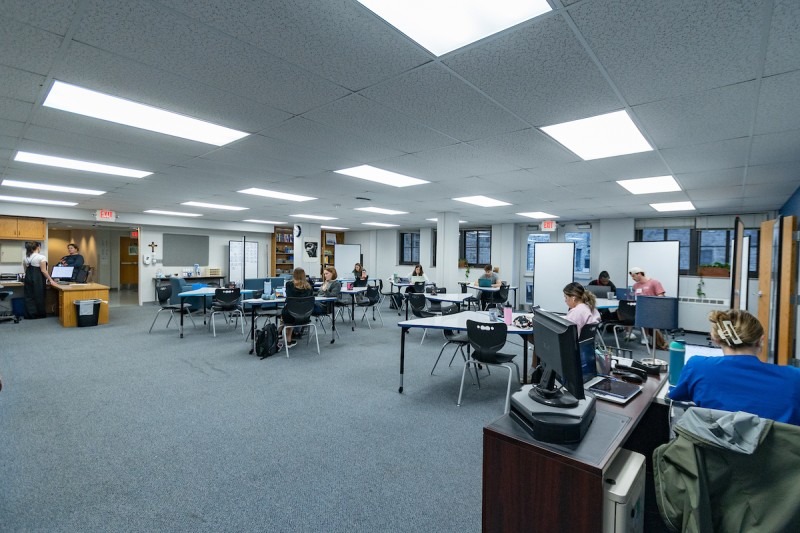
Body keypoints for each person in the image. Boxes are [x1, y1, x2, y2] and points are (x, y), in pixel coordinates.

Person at [669, 309, 800, 425]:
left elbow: (675, 395)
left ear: (715, 338)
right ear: (761, 340)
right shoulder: (794, 378)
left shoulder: (697, 366)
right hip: (775, 452)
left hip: (713, 450)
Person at [627, 266, 666, 347]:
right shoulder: (635, 286)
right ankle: (628, 333)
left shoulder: (654, 282)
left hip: (651, 308)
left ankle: (645, 336)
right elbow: (632, 297)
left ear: (639, 274)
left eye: (634, 276)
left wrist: (651, 303)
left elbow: (661, 296)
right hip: (638, 307)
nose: (633, 278)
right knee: (626, 311)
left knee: (643, 314)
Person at [281, 267, 314, 348]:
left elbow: (288, 297)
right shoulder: (309, 287)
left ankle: (282, 335)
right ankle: (285, 335)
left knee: (286, 312)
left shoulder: (289, 284)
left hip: (290, 315)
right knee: (293, 311)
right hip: (305, 316)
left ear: (294, 275)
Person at [22, 241, 56, 319]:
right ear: (38, 247)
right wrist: (51, 280)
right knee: (39, 295)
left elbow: (25, 269)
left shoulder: (25, 257)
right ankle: (39, 314)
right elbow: (43, 270)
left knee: (29, 296)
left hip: (28, 277)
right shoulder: (41, 257)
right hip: (38, 278)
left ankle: (30, 314)